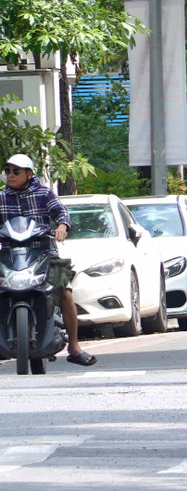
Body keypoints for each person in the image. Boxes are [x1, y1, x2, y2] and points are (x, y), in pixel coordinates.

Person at [1, 153, 95, 366]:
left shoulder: (43, 194)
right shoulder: (1, 197)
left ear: (29, 173)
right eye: (8, 171)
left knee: (66, 294)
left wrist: (62, 226)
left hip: (44, 254)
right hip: (8, 257)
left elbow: (61, 213)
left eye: (16, 171)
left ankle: (74, 346)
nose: (11, 175)